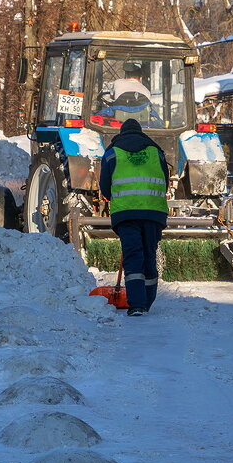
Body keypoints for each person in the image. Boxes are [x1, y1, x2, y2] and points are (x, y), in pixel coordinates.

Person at [98, 118, 170, 316]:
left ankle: (137, 304)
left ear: (121, 133)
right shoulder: (156, 151)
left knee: (133, 256)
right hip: (153, 213)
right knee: (149, 255)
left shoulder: (112, 152)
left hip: (126, 213)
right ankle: (147, 301)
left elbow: (105, 185)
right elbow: (165, 181)